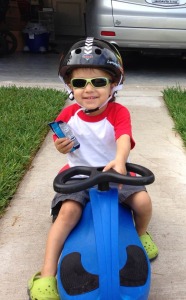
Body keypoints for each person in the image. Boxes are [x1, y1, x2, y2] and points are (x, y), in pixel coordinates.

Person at [28, 37, 158, 300]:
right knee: (67, 214)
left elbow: (123, 137)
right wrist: (61, 146)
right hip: (80, 174)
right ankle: (46, 275)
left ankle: (142, 233)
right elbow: (62, 141)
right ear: (70, 87)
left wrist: (120, 160)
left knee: (142, 202)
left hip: (114, 169)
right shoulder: (67, 116)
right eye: (79, 83)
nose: (89, 89)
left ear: (113, 84)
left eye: (98, 82)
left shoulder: (118, 112)